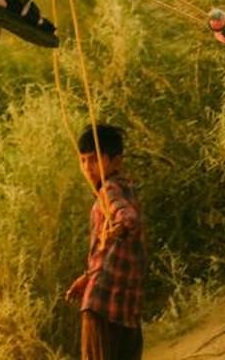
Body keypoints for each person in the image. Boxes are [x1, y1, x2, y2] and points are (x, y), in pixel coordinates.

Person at [64, 123, 146, 359]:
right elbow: (110, 249)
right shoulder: (126, 188)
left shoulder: (109, 190)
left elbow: (126, 215)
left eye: (94, 160)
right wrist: (88, 276)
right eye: (82, 160)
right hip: (124, 307)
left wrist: (122, 224)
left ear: (116, 162)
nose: (87, 168)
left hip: (103, 306)